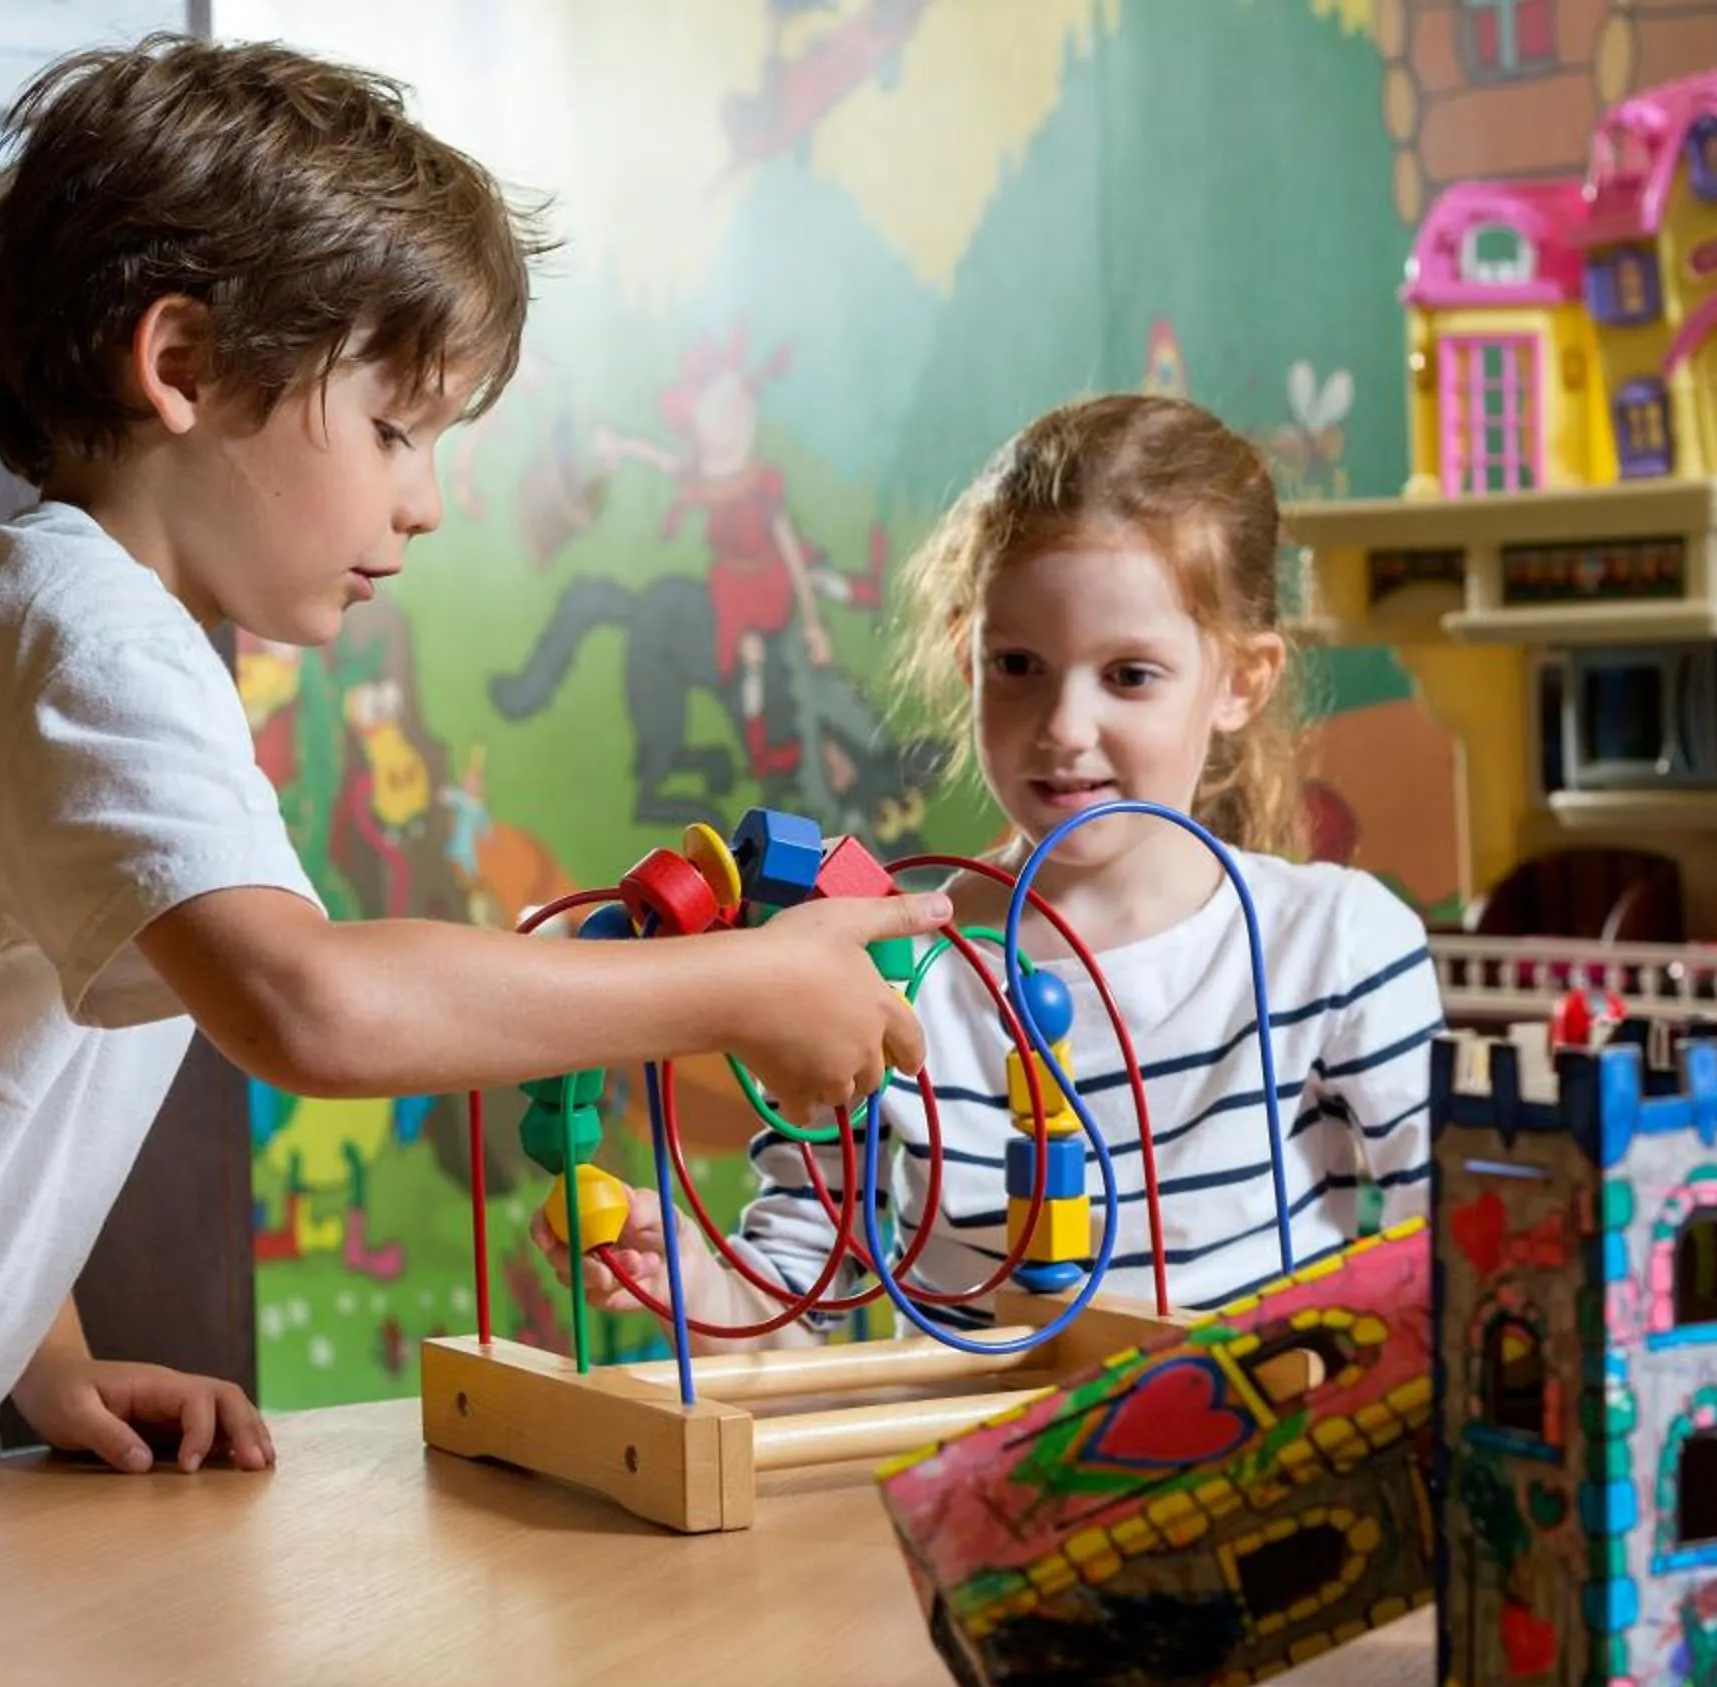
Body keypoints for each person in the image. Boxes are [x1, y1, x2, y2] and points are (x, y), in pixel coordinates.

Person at [0, 35, 946, 1557]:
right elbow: (309, 1009)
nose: (427, 499)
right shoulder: (86, 641)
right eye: (396, 428)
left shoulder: (63, 640)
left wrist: (36, 1354)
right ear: (183, 366)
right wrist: (740, 987)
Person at [536, 394, 1440, 1340]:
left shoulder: (1335, 946)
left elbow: (1457, 1256)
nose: (1063, 726)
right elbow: (789, 1312)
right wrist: (687, 1278)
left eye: (1129, 675)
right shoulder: (878, 970)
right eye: (1017, 664)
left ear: (1240, 682)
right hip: (965, 1481)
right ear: (965, 653)